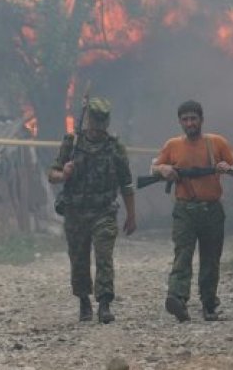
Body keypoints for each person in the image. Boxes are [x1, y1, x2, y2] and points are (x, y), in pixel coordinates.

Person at [151, 100, 233, 322]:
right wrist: (163, 169)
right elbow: (154, 168)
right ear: (180, 122)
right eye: (185, 119)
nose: (190, 123)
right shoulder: (173, 145)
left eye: (193, 118)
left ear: (201, 120)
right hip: (185, 210)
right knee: (182, 254)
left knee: (211, 258)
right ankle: (177, 298)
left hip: (212, 209)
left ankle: (209, 303)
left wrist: (228, 168)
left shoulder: (216, 142)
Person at [48, 97, 137, 324]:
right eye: (94, 121)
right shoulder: (72, 143)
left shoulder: (115, 147)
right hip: (76, 212)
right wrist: (64, 173)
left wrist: (131, 214)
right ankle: (84, 301)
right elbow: (53, 175)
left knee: (104, 256)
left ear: (107, 122)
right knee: (78, 259)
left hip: (104, 211)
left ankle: (105, 304)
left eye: (102, 122)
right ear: (88, 120)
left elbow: (126, 183)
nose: (98, 127)